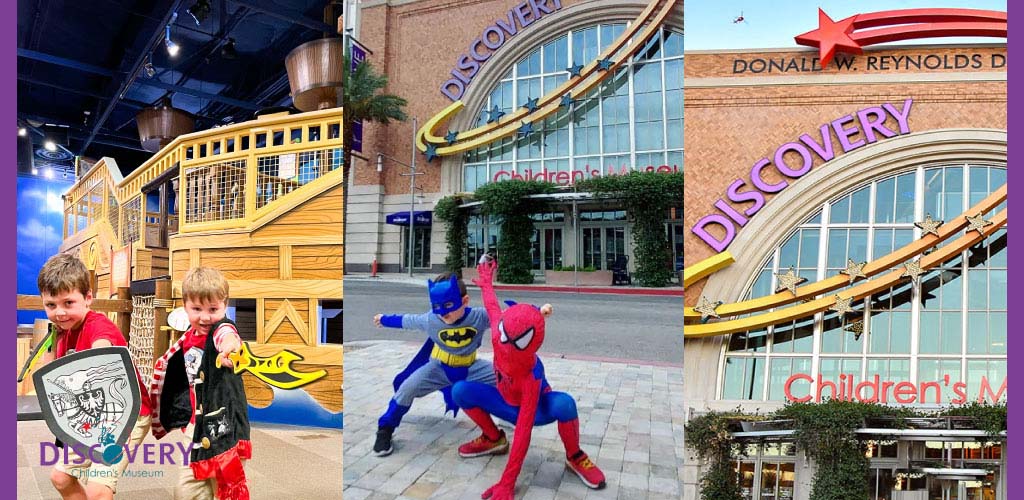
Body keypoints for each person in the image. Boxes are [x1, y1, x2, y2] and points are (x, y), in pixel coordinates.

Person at [452, 259, 606, 499]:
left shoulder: (532, 374)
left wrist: (507, 482)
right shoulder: (498, 335)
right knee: (460, 390)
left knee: (565, 404)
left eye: (520, 343)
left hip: (533, 411)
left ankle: (575, 455)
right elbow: (492, 306)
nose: (509, 347)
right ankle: (493, 439)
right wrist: (486, 284)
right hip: (504, 401)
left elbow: (524, 432)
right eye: (507, 338)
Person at [38, 253, 153, 500]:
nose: (59, 312)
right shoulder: (62, 331)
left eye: (68, 303)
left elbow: (102, 354)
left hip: (127, 414)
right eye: (51, 305)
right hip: (91, 413)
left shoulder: (99, 327)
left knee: (98, 489)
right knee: (61, 477)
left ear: (88, 298)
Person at [370, 272, 497, 457]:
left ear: (465, 301)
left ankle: (511, 415)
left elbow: (508, 318)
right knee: (407, 389)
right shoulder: (432, 320)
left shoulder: (479, 317)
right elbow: (407, 320)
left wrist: (538, 311)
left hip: (471, 368)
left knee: (506, 378)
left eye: (448, 305)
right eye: (437, 306)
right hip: (439, 368)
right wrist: (384, 319)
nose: (443, 312)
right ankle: (385, 428)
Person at [150, 267, 250, 500]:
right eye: (197, 309)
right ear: (185, 305)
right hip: (196, 425)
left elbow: (227, 335)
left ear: (225, 305)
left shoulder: (221, 329)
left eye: (213, 309)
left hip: (224, 426)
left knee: (224, 487)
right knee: (187, 491)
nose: (205, 317)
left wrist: (229, 348)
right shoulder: (188, 335)